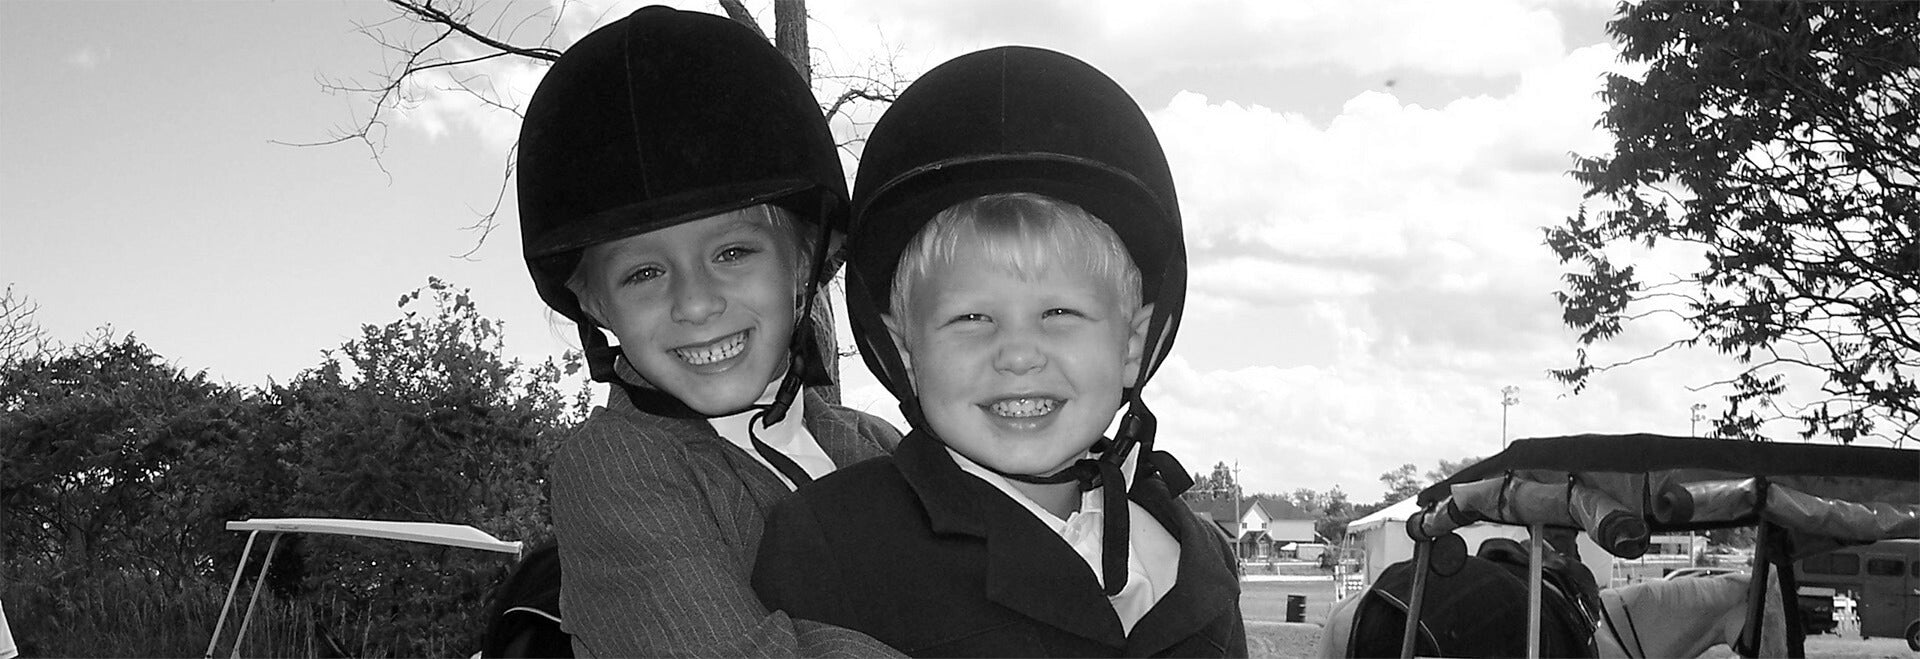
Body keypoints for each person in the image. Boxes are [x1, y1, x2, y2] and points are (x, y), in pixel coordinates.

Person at [752, 46, 1247, 657]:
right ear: (905, 352)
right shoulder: (831, 546)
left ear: (1134, 343)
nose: (1017, 354)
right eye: (971, 317)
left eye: (1059, 314)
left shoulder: (1196, 561)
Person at [515, 6, 901, 656]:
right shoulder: (611, 470)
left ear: (804, 261)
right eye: (642, 272)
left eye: (732, 253)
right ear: (593, 302)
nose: (694, 303)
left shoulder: (879, 441)